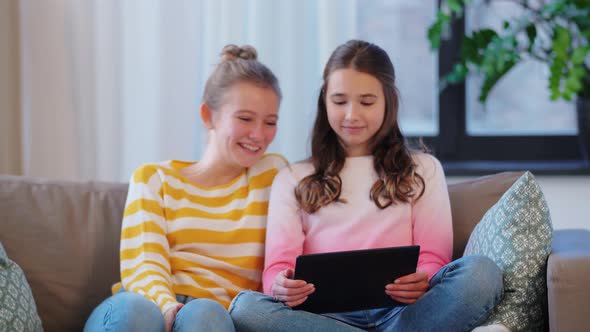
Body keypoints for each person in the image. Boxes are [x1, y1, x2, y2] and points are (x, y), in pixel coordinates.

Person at [229, 40, 503, 332]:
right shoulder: (293, 178)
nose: (351, 115)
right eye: (339, 101)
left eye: (367, 102)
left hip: (403, 315)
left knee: (482, 275)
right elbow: (276, 268)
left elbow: (434, 256)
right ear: (324, 101)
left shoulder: (423, 170)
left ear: (388, 101)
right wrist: (281, 286)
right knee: (246, 308)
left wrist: (424, 276)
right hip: (322, 320)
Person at [84, 44, 287, 332]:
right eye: (245, 118)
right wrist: (166, 306)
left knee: (205, 314)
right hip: (148, 304)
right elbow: (143, 262)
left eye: (270, 122)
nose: (258, 134)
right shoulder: (154, 178)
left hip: (216, 316)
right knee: (137, 312)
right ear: (208, 116)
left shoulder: (272, 174)